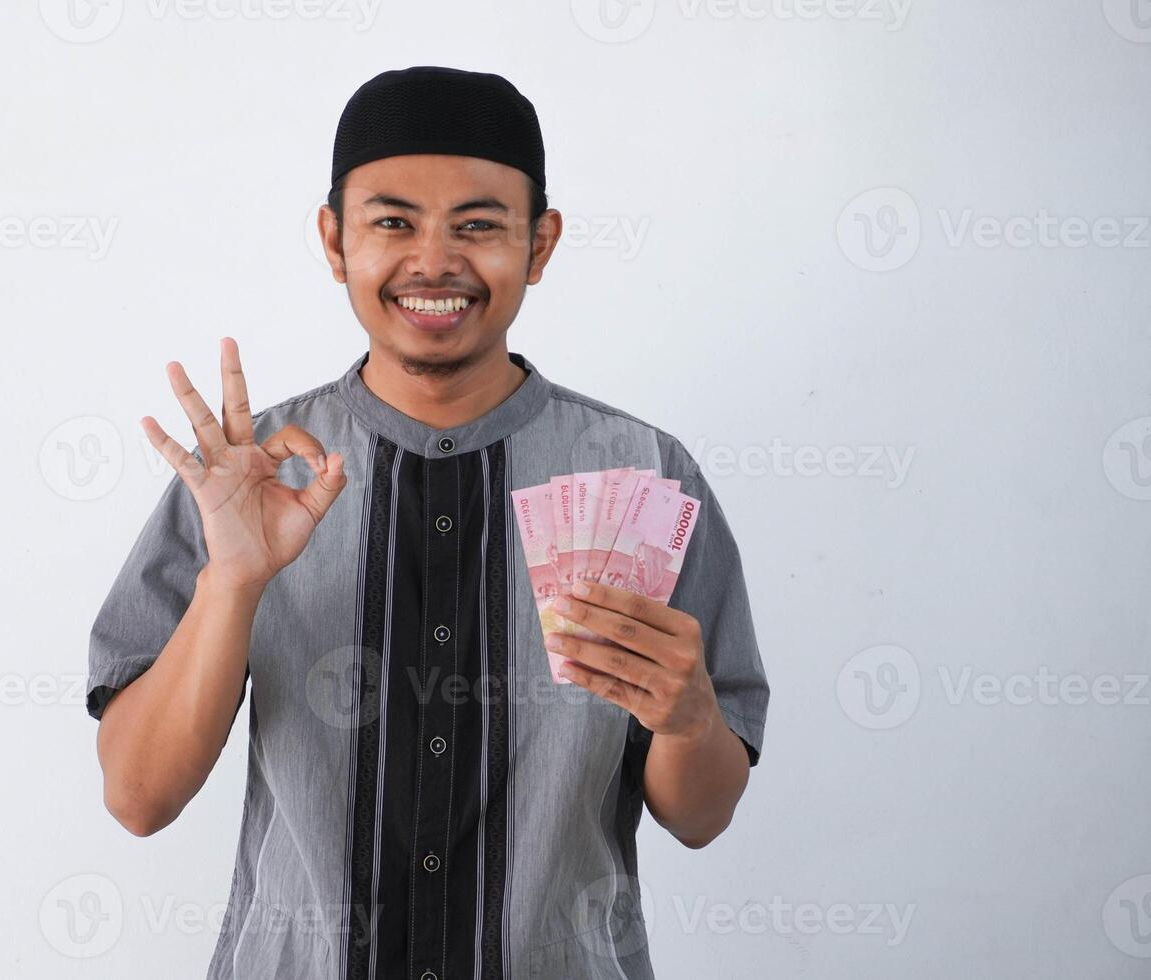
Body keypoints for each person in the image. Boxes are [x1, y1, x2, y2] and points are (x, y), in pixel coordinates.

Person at [86, 65, 770, 980]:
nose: (435, 262)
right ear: (335, 240)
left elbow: (702, 816)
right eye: (392, 222)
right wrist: (234, 582)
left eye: (480, 225)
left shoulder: (646, 476)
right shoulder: (245, 480)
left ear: (541, 243)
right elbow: (137, 797)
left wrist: (689, 722)